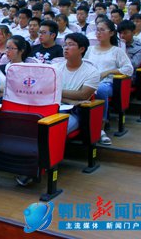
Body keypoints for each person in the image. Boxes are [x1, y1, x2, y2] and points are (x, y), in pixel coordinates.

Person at [17, 33, 100, 187]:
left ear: (82, 49)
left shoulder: (92, 72)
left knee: (50, 130)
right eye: (65, 44)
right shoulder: (55, 68)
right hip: (50, 107)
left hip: (74, 113)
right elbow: (45, 90)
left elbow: (83, 95)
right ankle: (25, 164)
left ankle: (34, 169)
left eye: (71, 45)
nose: (66, 48)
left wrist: (59, 93)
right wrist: (69, 98)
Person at [84, 20, 133, 145]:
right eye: (97, 30)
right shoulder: (90, 49)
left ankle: (101, 128)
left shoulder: (117, 51)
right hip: (90, 81)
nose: (98, 33)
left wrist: (108, 72)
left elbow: (128, 69)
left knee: (100, 89)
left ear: (111, 33)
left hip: (107, 83)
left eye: (102, 30)